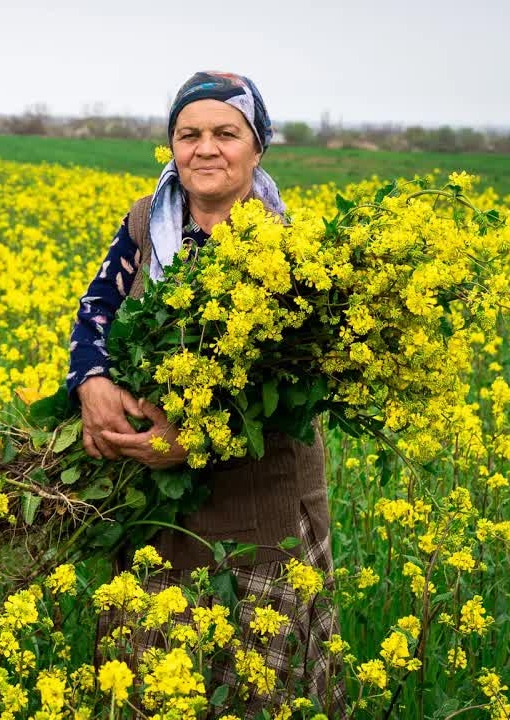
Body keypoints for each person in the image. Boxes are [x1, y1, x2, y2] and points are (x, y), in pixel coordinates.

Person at [67, 71, 343, 714]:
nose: (206, 148)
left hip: (258, 497)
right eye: (188, 134)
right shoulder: (145, 223)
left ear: (257, 148)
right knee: (150, 679)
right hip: (151, 499)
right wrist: (94, 383)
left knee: (252, 683)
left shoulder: (292, 249)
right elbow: (97, 310)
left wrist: (193, 438)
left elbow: (292, 387)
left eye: (226, 133)